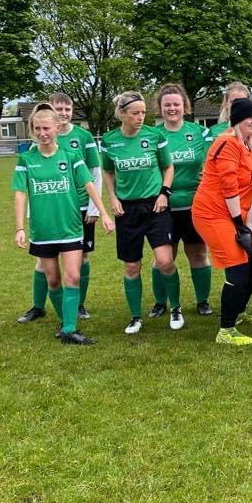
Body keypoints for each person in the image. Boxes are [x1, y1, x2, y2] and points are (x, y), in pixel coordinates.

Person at [12, 104, 114, 345]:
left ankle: (69, 329)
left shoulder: (70, 156)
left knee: (73, 277)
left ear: (57, 128)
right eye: (37, 128)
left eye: (46, 128)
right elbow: (19, 193)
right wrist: (19, 228)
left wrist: (104, 213)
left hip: (70, 228)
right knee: (54, 281)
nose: (42, 133)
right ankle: (63, 320)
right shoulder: (26, 159)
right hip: (43, 231)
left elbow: (89, 184)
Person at [100, 91, 179, 334]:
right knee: (132, 267)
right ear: (122, 114)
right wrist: (112, 198)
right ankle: (135, 317)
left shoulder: (154, 136)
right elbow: (109, 172)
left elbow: (168, 166)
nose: (141, 117)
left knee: (165, 261)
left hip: (156, 207)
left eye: (144, 112)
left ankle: (175, 308)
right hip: (127, 210)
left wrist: (164, 193)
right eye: (135, 113)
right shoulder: (109, 140)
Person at [192, 97, 252, 346]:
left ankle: (238, 312)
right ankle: (226, 330)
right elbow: (229, 188)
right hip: (213, 214)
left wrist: (250, 226)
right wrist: (238, 224)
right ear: (236, 120)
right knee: (238, 267)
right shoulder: (227, 143)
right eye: (249, 119)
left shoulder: (248, 145)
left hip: (235, 213)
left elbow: (249, 191)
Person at [207, 82, 252, 317]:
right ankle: (238, 306)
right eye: (232, 101)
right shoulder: (216, 132)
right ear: (226, 105)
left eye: (242, 100)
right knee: (235, 251)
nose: (236, 105)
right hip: (228, 202)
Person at [146, 83, 214, 318]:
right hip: (163, 205)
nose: (172, 108)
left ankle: (202, 301)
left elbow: (210, 164)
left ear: (185, 106)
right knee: (164, 257)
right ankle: (160, 302)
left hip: (195, 204)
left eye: (176, 104)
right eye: (167, 105)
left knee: (198, 253)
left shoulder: (199, 133)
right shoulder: (153, 135)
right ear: (160, 108)